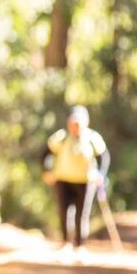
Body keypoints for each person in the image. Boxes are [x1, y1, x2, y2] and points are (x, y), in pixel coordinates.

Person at [44, 105, 110, 261]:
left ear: (85, 123)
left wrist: (100, 174)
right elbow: (46, 154)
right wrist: (47, 171)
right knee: (64, 212)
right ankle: (66, 245)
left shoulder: (93, 138)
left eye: (78, 123)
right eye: (72, 123)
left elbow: (104, 157)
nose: (75, 126)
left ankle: (80, 247)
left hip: (85, 182)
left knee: (82, 214)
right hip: (63, 180)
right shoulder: (60, 137)